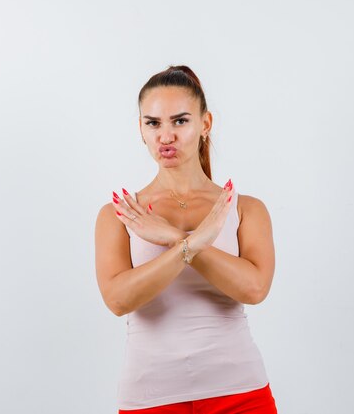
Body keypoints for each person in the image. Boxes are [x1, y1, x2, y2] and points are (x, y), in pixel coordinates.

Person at [95, 65, 278, 414]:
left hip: (241, 392)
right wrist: (189, 244)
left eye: (180, 121)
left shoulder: (244, 209)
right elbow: (118, 300)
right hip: (150, 396)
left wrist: (174, 238)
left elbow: (254, 289)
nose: (166, 136)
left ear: (205, 124)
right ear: (141, 129)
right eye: (153, 123)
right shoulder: (120, 214)